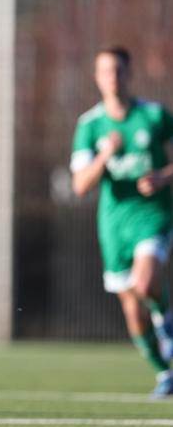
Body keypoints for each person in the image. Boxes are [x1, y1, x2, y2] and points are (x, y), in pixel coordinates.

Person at [70, 46, 173, 398]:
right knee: (132, 310)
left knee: (145, 285)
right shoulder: (90, 125)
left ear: (130, 74)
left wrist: (162, 177)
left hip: (153, 215)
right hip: (114, 227)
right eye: (105, 71)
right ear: (97, 78)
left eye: (118, 70)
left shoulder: (155, 116)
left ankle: (166, 324)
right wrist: (104, 156)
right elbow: (81, 185)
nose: (112, 78)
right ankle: (164, 373)